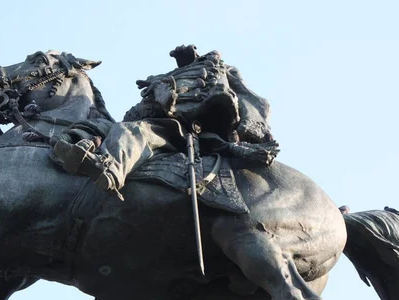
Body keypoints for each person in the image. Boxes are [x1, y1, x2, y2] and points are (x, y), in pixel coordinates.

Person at [51, 45, 279, 196]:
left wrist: (248, 139)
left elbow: (244, 103)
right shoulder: (166, 79)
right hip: (151, 119)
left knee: (134, 132)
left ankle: (112, 170)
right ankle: (64, 147)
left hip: (179, 130)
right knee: (99, 125)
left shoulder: (214, 75)